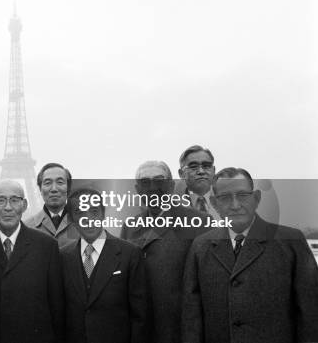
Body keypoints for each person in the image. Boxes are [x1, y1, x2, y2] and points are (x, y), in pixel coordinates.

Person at [182, 168, 318, 343]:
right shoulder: (200, 246)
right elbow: (191, 316)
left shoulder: (291, 241)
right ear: (214, 203)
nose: (235, 205)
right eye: (225, 198)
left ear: (256, 198)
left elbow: (310, 313)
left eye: (243, 195)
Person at [0, 179, 65, 343]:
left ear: (24, 205)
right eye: (1, 200)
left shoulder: (47, 246)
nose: (8, 207)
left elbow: (57, 306)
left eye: (15, 200)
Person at [120, 161, 209, 343]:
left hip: (179, 330)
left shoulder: (199, 222)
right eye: (145, 182)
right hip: (139, 329)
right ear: (138, 190)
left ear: (171, 186)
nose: (153, 188)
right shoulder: (129, 226)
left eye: (159, 180)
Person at [61, 188, 149, 343]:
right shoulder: (62, 256)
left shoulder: (130, 254)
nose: (88, 218)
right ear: (71, 219)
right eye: (80, 212)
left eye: (94, 211)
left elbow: (140, 315)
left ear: (103, 214)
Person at [26, 162, 80, 246]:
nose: (54, 189)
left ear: (69, 188)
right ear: (40, 189)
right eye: (47, 183)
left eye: (60, 182)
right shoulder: (26, 227)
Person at [178, 145, 220, 219]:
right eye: (193, 166)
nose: (201, 171)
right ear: (181, 174)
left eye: (206, 166)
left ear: (214, 171)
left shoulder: (227, 200)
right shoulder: (174, 206)